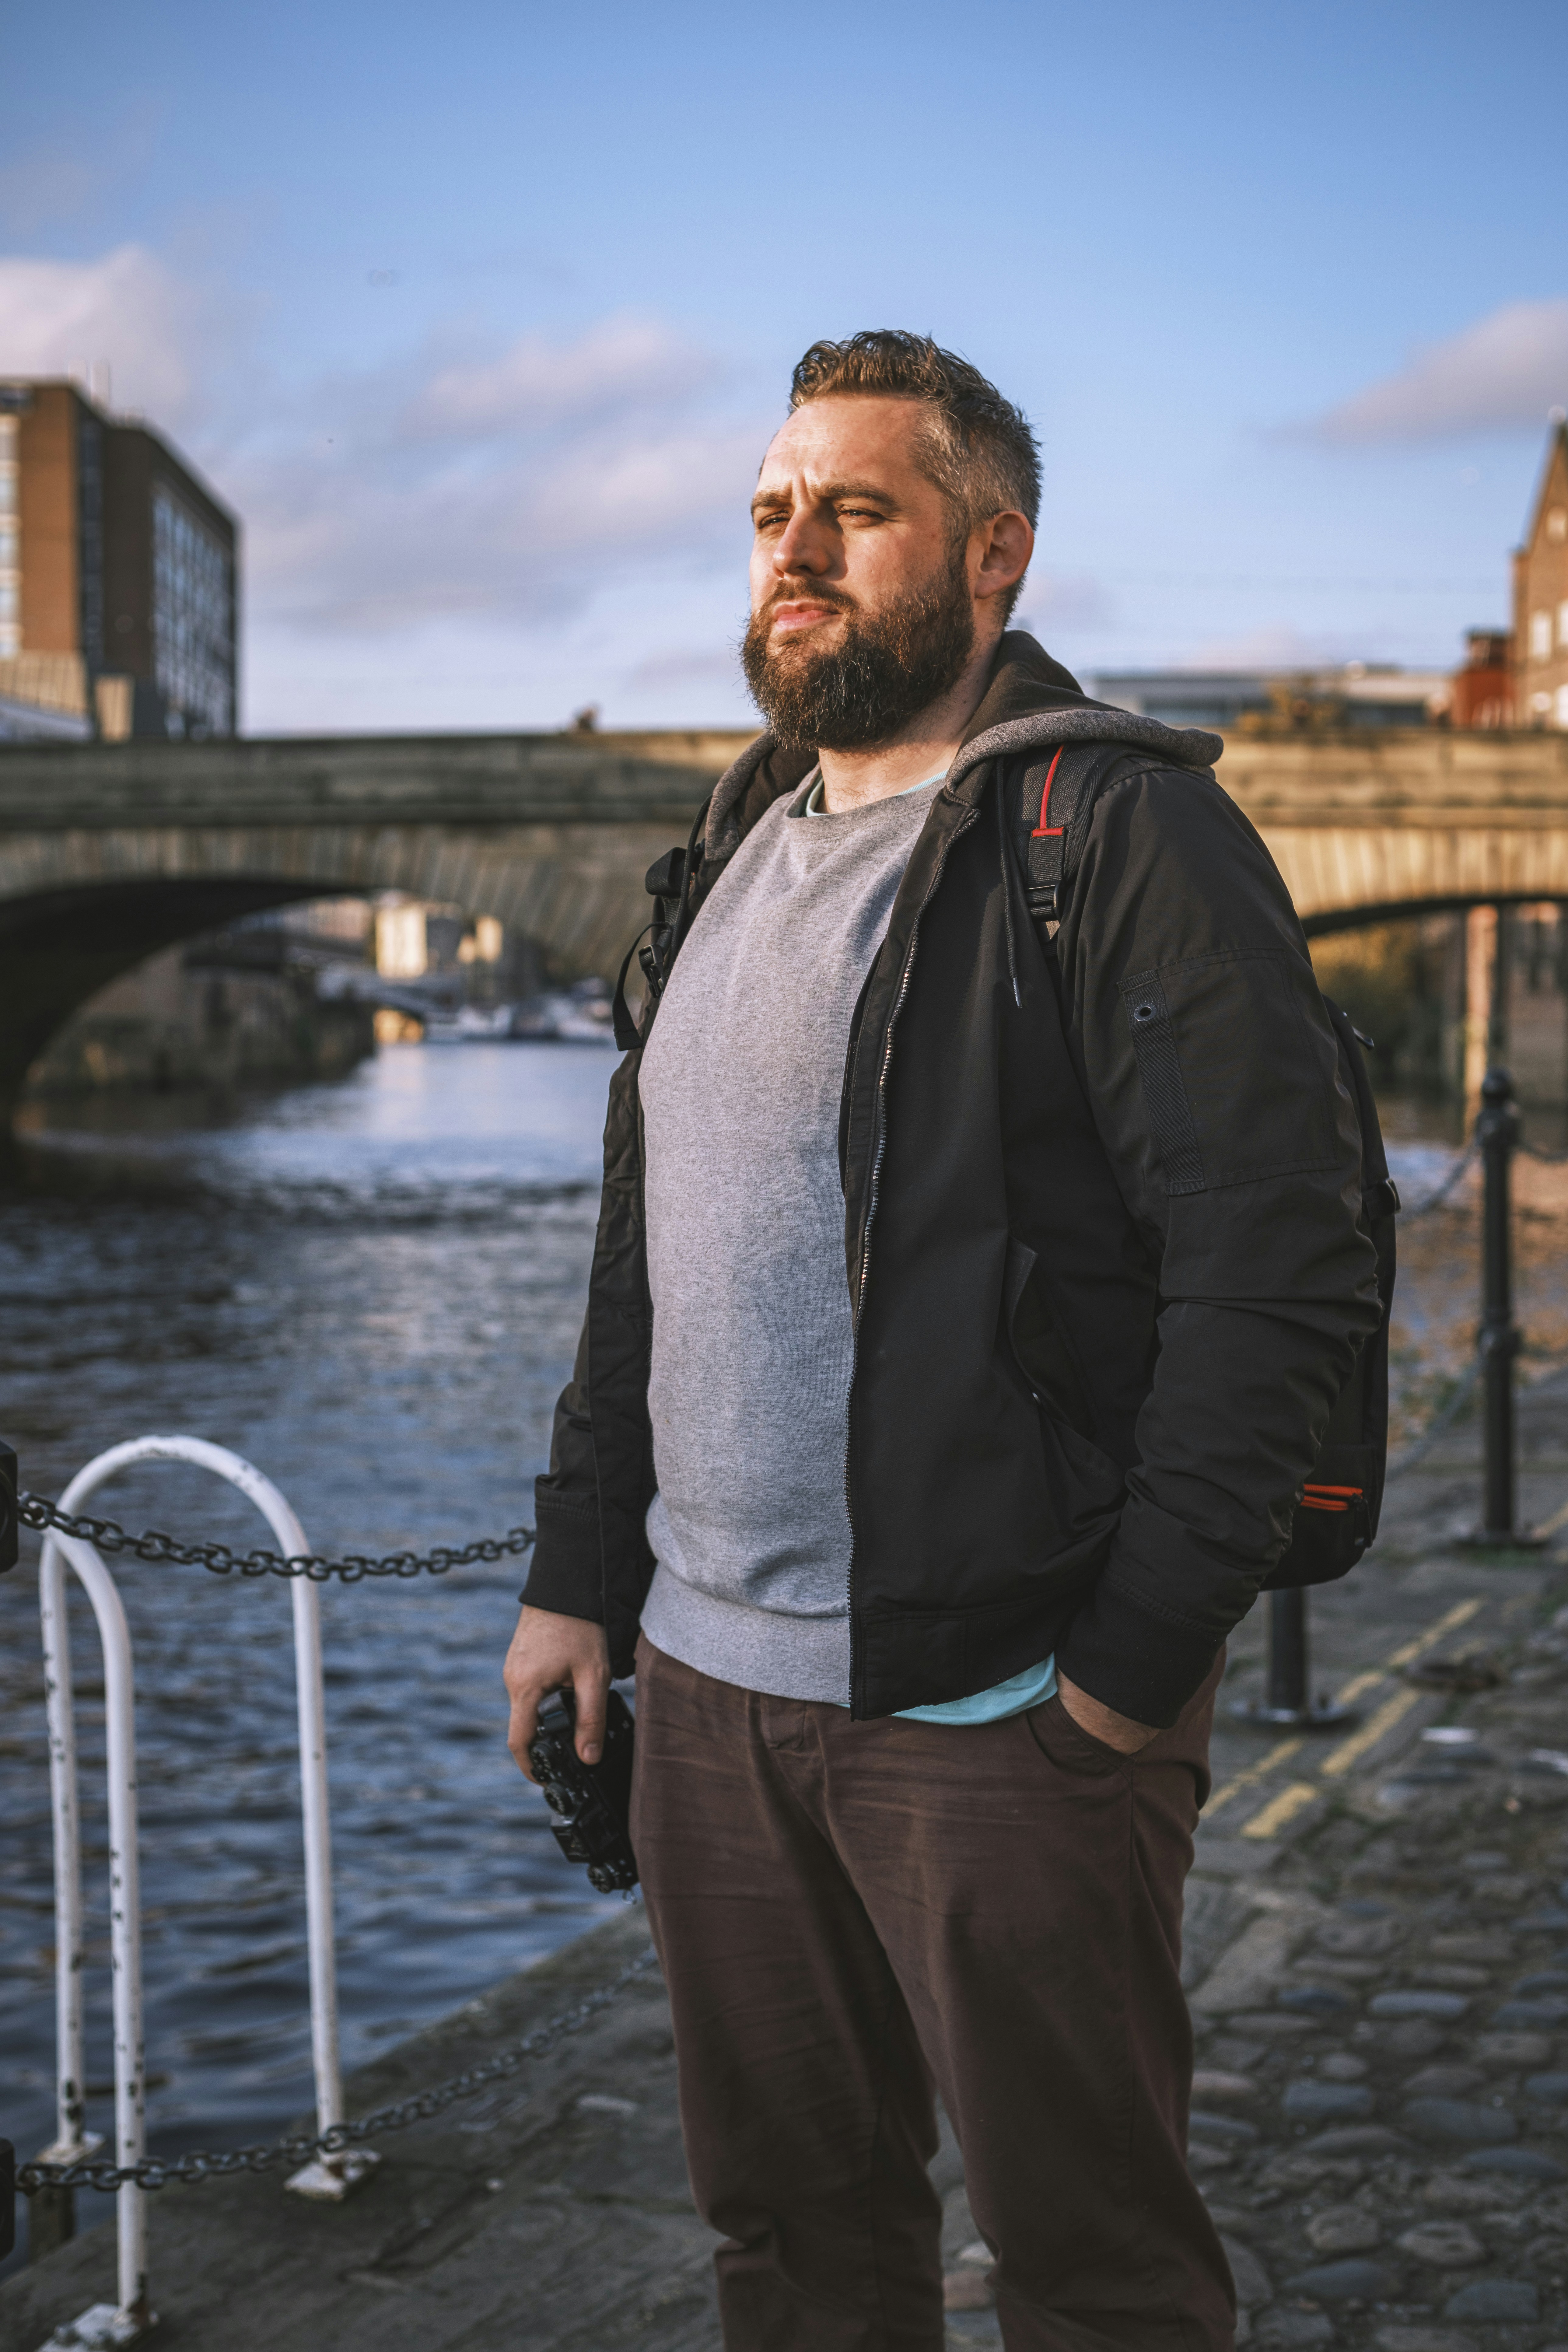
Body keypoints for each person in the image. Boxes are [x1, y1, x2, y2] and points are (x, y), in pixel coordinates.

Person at [505, 330, 1380, 2352]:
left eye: (856, 512)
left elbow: (1283, 1269)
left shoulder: (1118, 837)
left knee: (1093, 2279)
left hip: (999, 1705)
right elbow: (652, 1247)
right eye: (769, 512)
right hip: (711, 1702)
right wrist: (580, 1575)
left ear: (993, 559)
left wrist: (1125, 1674)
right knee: (791, 2249)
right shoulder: (728, 842)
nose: (793, 550)